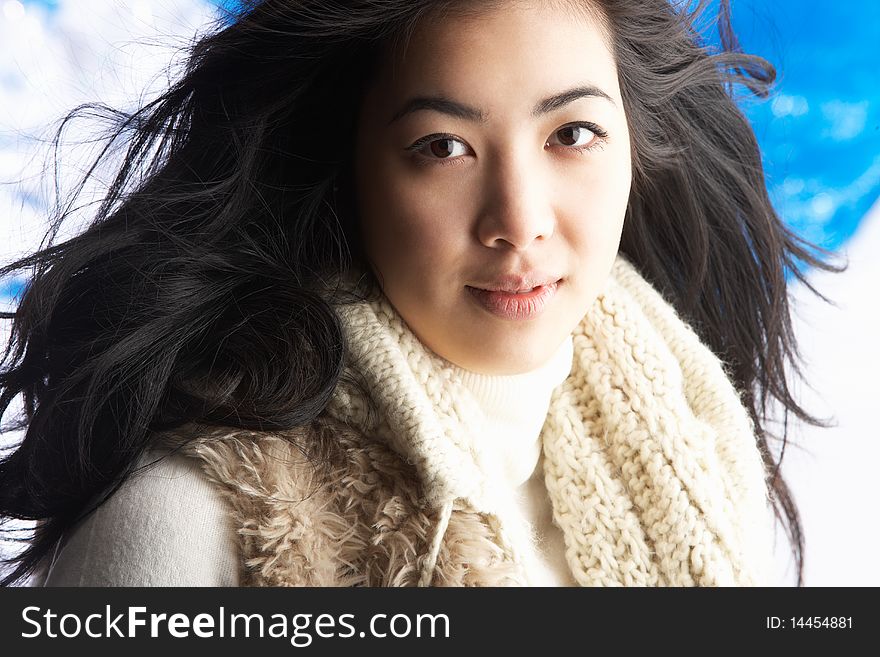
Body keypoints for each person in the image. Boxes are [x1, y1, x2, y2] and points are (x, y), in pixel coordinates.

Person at [0, 0, 842, 587]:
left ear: (637, 148)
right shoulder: (187, 520)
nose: (519, 220)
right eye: (442, 147)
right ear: (348, 171)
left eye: (572, 133)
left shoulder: (694, 443)